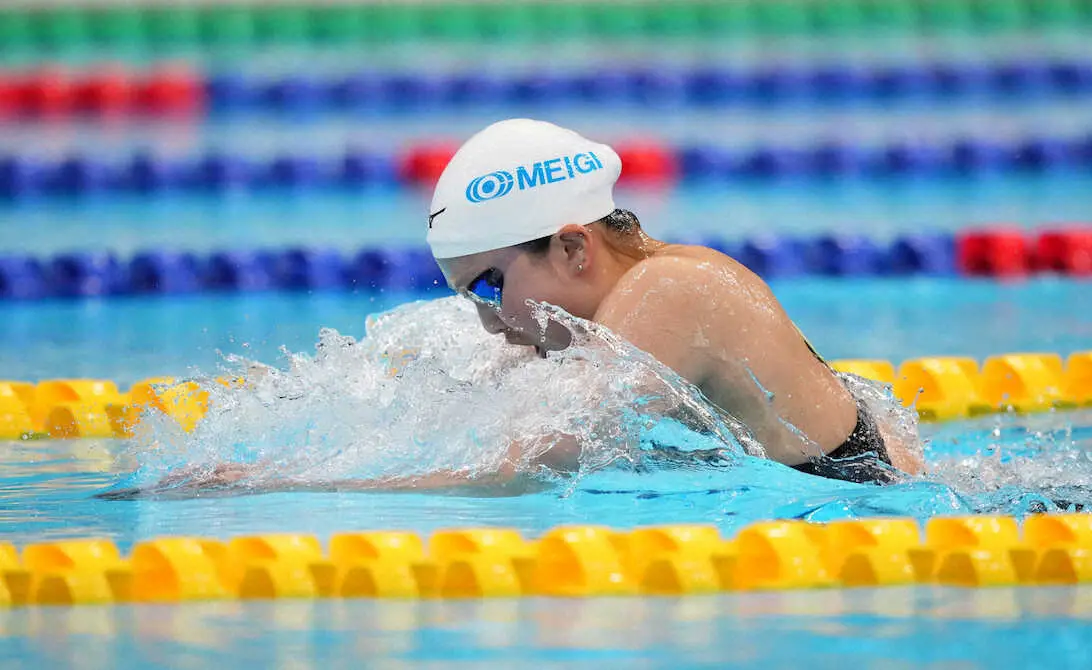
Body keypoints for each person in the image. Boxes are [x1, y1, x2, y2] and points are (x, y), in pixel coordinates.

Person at [99, 119, 921, 501]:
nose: (492, 321)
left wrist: (282, 486)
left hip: (873, 517)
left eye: (491, 286)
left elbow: (527, 465)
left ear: (571, 248)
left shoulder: (669, 292)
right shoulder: (635, 306)